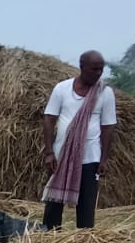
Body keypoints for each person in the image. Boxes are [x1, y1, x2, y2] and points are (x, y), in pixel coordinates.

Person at [41, 50, 117, 230]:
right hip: (61, 155)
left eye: (101, 69)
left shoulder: (105, 93)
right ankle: (48, 238)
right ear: (82, 67)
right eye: (94, 69)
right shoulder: (62, 89)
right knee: (53, 203)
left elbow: (108, 127)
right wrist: (49, 152)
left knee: (86, 205)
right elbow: (49, 118)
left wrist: (104, 159)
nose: (98, 73)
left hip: (90, 157)